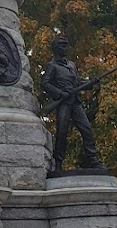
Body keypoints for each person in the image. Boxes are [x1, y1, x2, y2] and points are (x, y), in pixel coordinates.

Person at [40, 32, 103, 172]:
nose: (65, 49)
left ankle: (93, 160)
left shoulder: (72, 65)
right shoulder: (52, 66)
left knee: (87, 130)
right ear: (56, 48)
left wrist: (89, 83)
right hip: (63, 103)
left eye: (66, 46)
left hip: (75, 102)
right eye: (62, 46)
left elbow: (77, 82)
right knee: (62, 133)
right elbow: (45, 83)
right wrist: (60, 93)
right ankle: (58, 163)